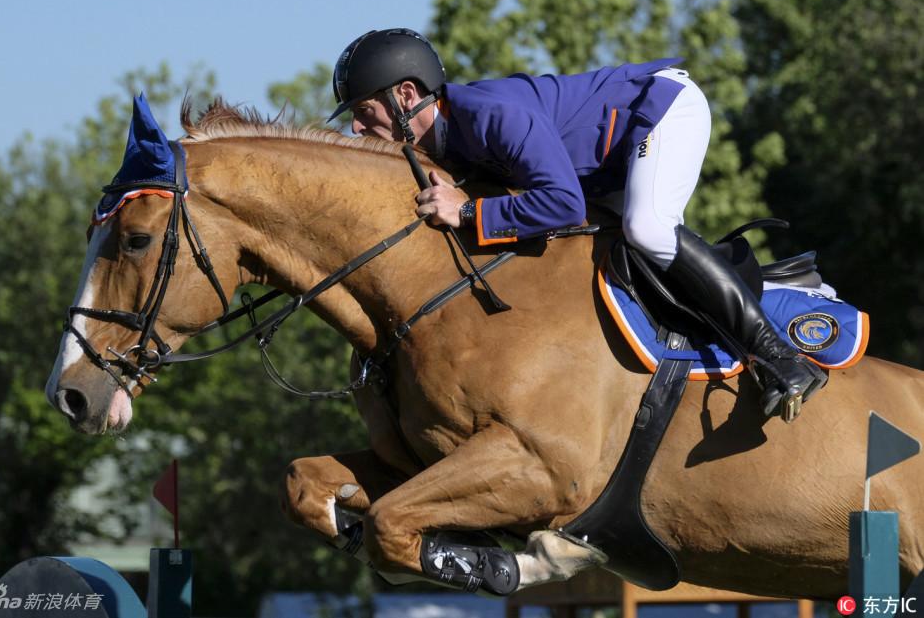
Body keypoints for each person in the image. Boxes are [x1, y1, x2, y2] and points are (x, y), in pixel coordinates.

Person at [328, 27, 826, 418]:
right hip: (602, 162)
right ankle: (756, 296)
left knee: (647, 227)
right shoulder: (444, 143)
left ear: (407, 95)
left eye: (365, 110)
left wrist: (466, 211)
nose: (356, 127)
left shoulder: (488, 118)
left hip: (657, 111)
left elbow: (562, 204)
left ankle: (778, 357)